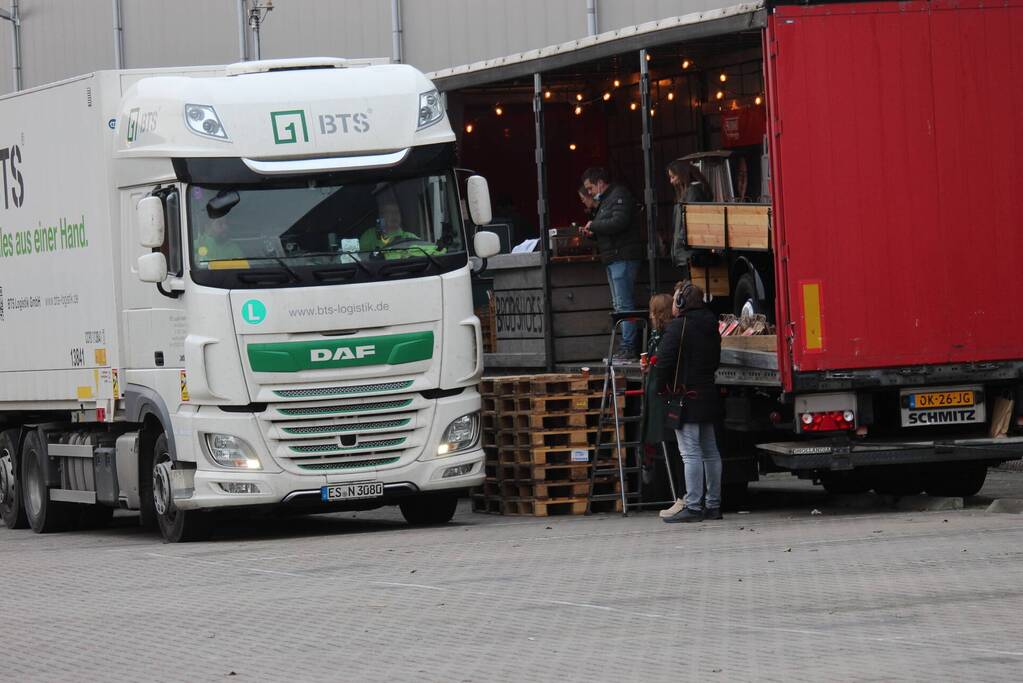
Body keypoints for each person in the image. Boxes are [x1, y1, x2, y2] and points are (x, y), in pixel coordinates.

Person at [655, 281, 723, 523]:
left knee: (690, 453)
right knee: (710, 451)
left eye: (675, 299)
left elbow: (664, 363)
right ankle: (713, 504)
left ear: (682, 302)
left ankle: (693, 505)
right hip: (708, 393)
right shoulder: (711, 325)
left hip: (686, 397)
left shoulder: (678, 327)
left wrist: (660, 387)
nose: (673, 303)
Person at [579, 167, 644, 360]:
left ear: (600, 182)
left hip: (622, 257)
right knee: (619, 304)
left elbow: (619, 222)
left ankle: (629, 346)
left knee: (624, 304)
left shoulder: (618, 195)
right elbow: (612, 226)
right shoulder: (608, 200)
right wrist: (593, 233)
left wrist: (595, 226)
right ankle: (626, 345)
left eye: (590, 188)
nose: (589, 192)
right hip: (614, 257)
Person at [666, 160, 712, 276]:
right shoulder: (688, 193)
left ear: (682, 174)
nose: (671, 181)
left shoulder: (693, 192)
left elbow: (691, 221)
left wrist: (681, 240)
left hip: (689, 253)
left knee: (691, 289)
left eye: (673, 177)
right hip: (686, 253)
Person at [359, 199, 423, 253]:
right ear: (381, 216)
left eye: (396, 212)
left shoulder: (410, 237)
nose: (394, 216)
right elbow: (363, 259)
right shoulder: (369, 235)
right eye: (388, 213)